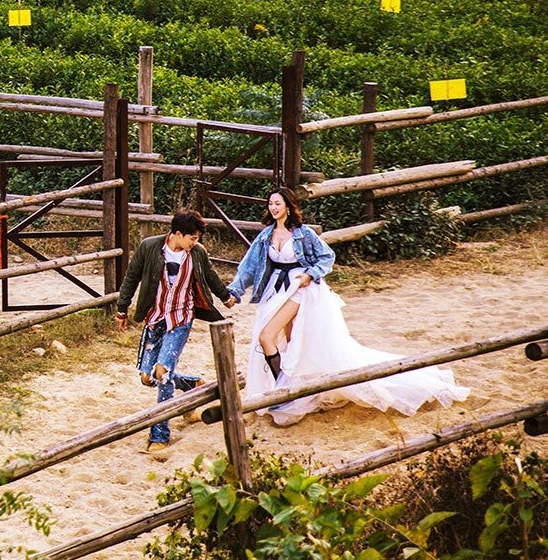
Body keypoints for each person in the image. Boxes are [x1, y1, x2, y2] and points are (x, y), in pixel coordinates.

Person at [227, 188, 469, 426]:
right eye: (271, 204)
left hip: (301, 289)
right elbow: (248, 267)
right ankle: (291, 388)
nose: (274, 207)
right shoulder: (265, 236)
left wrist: (310, 275)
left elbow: (327, 257)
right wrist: (234, 292)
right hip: (276, 291)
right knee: (290, 342)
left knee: (266, 336)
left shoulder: (303, 234)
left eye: (278, 203)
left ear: (288, 206)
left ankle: (284, 394)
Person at [115, 210, 237, 458]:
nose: (195, 242)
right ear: (177, 234)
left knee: (163, 373)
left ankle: (159, 435)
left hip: (181, 319)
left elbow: (210, 276)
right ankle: (191, 384)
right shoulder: (149, 247)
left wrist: (225, 297)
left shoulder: (197, 253)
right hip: (154, 318)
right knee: (147, 377)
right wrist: (122, 308)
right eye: (192, 237)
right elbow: (132, 277)